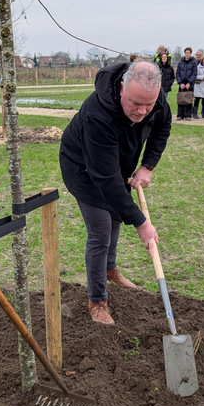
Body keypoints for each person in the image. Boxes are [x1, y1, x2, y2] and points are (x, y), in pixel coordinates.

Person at [59, 61, 171, 325]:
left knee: (117, 216)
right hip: (84, 170)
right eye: (135, 103)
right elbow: (106, 180)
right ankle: (97, 301)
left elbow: (162, 127)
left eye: (149, 104)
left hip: (117, 165)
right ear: (121, 88)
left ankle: (110, 269)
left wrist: (148, 165)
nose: (143, 111)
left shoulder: (155, 98)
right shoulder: (97, 114)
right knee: (100, 229)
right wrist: (142, 223)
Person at [175, 47, 197, 121]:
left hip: (189, 84)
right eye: (186, 53)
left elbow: (194, 74)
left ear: (190, 54)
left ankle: (188, 115)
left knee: (188, 99)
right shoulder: (180, 63)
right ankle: (180, 115)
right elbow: (177, 74)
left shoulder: (194, 63)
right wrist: (180, 82)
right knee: (181, 99)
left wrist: (189, 82)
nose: (187, 54)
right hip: (182, 84)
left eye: (188, 53)